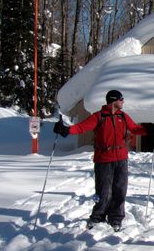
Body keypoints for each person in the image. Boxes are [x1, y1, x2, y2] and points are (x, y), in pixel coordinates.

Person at [53, 89, 147, 231]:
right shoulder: (99, 116)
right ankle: (98, 216)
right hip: (103, 159)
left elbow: (135, 128)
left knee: (120, 190)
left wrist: (150, 130)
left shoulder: (123, 116)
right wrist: (66, 130)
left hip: (121, 158)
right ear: (114, 100)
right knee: (103, 191)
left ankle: (116, 218)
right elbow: (82, 127)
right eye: (121, 99)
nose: (123, 102)